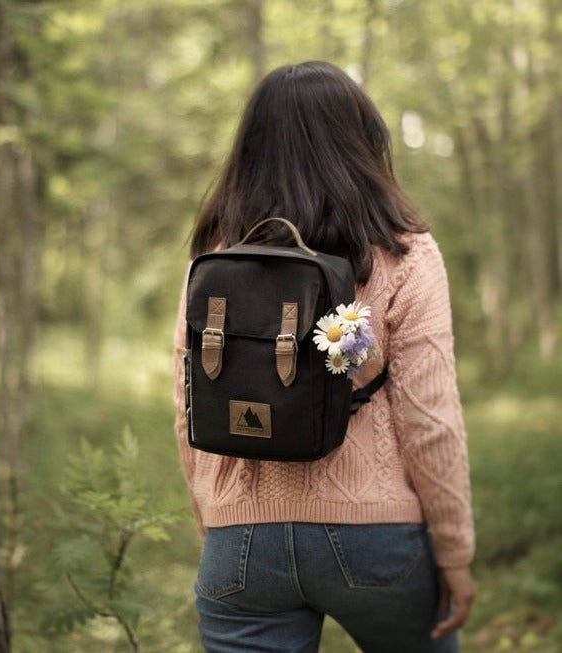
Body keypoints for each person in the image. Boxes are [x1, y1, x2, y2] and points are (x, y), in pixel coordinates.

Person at [172, 61, 475, 653]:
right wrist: (455, 551)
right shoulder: (405, 252)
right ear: (363, 141)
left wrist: (216, 524)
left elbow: (188, 403)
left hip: (242, 540)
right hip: (377, 536)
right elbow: (431, 418)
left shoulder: (215, 257)